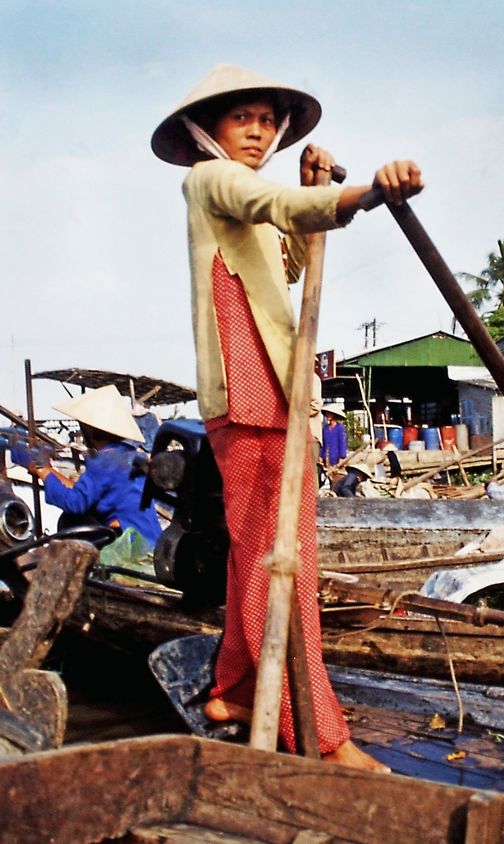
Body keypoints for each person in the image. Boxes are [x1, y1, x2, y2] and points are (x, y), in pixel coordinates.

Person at [151, 64, 423, 771]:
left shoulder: (256, 203)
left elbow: (291, 256)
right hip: (249, 398)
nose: (259, 131)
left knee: (260, 553)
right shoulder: (211, 183)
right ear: (205, 131)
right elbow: (275, 206)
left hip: (278, 392)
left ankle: (235, 691)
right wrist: (361, 194)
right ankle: (322, 734)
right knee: (288, 567)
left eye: (267, 121)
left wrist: (313, 193)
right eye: (243, 118)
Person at [17, 385, 162, 547]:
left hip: (132, 546)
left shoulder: (105, 462)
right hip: (152, 542)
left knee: (70, 520)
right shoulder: (130, 456)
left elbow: (75, 503)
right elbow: (82, 491)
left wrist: (42, 469)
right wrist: (49, 470)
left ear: (90, 431)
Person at [318, 404, 347, 486]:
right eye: (327, 414)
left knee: (336, 475)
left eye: (330, 414)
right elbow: (323, 442)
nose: (328, 416)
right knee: (326, 474)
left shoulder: (340, 428)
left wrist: (342, 456)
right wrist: (320, 455)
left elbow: (342, 442)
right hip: (326, 456)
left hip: (336, 455)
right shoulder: (325, 428)